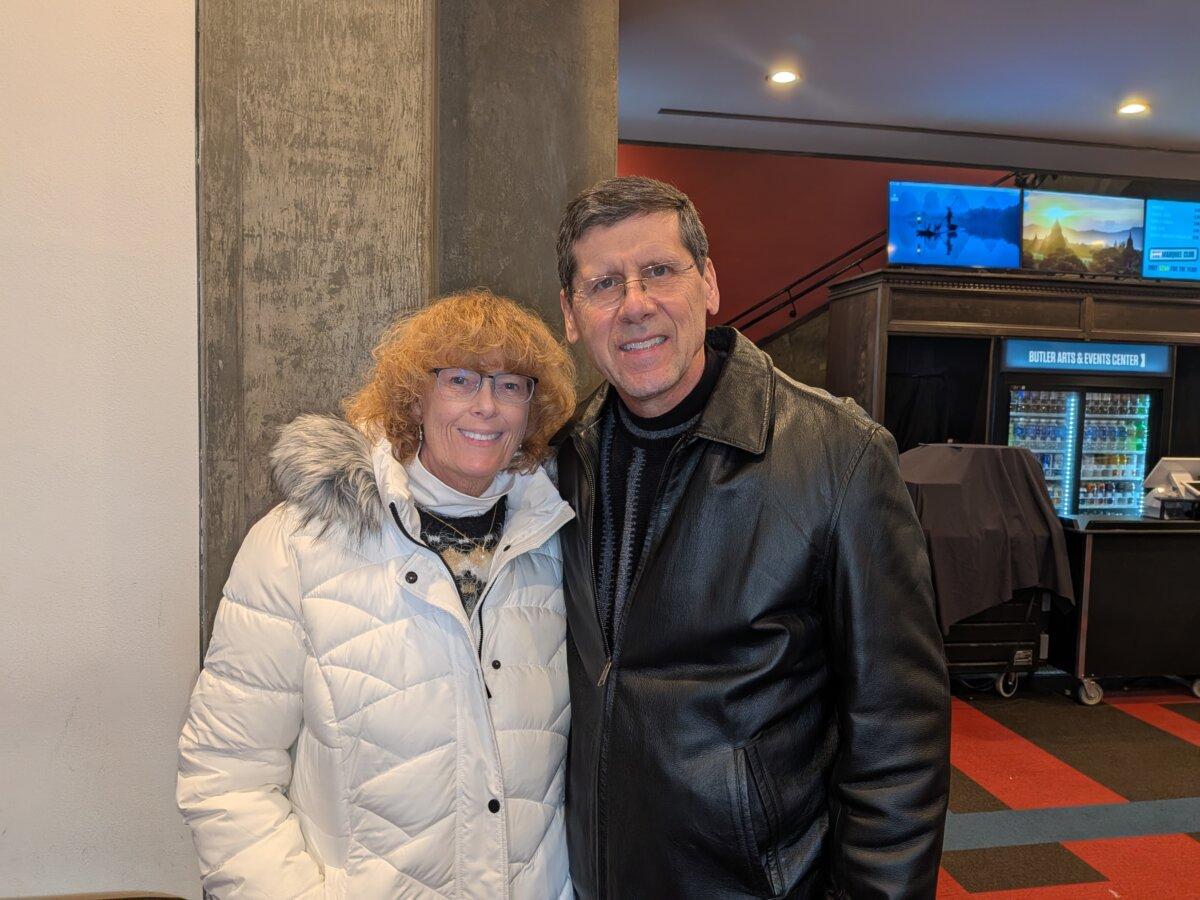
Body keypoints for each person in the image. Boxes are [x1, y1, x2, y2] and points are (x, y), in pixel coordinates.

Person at [553, 176, 950, 899]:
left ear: (708, 283)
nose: (635, 304)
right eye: (604, 283)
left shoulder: (838, 457)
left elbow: (899, 739)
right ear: (572, 315)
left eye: (659, 271)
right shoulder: (562, 459)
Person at [177, 290, 577, 899]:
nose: (487, 405)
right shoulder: (298, 545)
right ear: (415, 396)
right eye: (460, 379)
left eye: (511, 385)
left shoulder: (557, 545)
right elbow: (226, 772)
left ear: (531, 409)